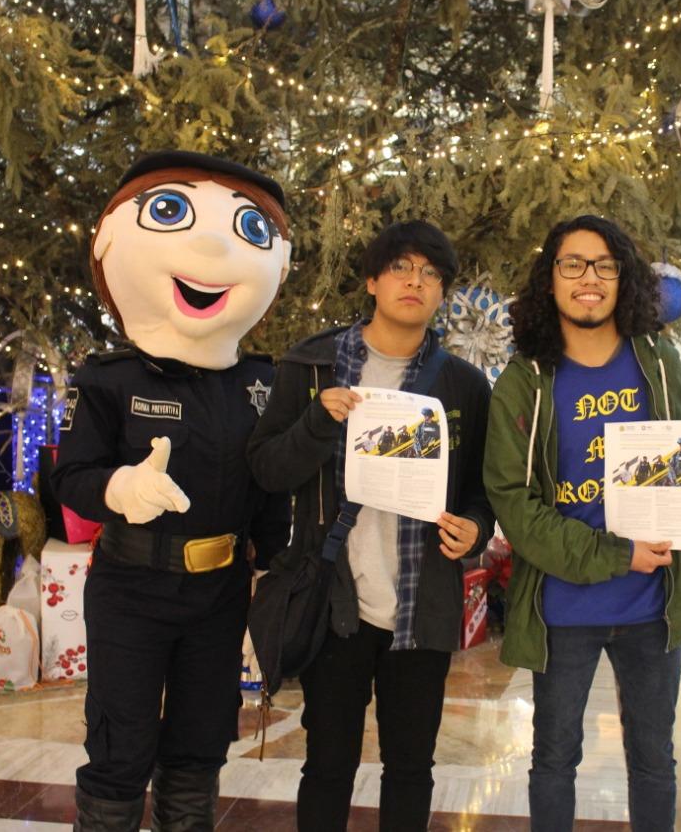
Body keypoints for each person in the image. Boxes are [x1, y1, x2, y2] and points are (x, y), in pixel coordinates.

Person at [50, 152, 293, 831]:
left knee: (199, 746)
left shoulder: (260, 384)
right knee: (120, 746)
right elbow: (69, 477)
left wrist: (276, 576)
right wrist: (120, 486)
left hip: (219, 595)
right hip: (131, 588)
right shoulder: (111, 379)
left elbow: (269, 488)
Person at [482, 214, 681, 832]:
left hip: (651, 604)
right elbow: (514, 503)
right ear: (551, 280)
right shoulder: (526, 380)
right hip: (562, 608)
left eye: (605, 265)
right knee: (554, 760)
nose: (589, 278)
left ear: (624, 279)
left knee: (654, 760)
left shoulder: (658, 361)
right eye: (573, 264)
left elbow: (680, 458)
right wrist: (615, 555)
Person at [247, 220, 495, 832]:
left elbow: (480, 490)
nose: (415, 282)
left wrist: (475, 526)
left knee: (411, 767)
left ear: (442, 292)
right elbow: (267, 469)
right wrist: (316, 421)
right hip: (335, 602)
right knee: (328, 765)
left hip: (421, 605)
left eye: (430, 274)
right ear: (372, 281)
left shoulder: (462, 384)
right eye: (401, 268)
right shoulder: (312, 365)